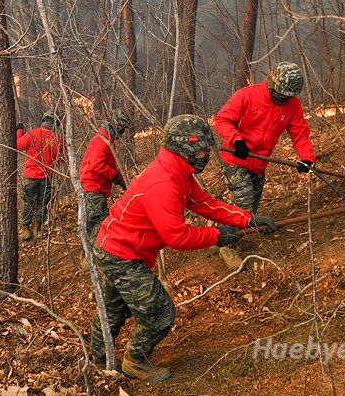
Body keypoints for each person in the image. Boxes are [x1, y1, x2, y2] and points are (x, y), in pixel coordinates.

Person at [89, 114, 277, 381]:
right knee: (160, 311)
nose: (206, 155)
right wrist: (217, 236)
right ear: (185, 148)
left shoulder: (178, 171)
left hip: (117, 247)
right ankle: (134, 360)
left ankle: (97, 360)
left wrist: (246, 218)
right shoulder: (163, 182)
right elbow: (176, 237)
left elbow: (204, 203)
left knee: (114, 307)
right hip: (121, 253)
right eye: (201, 149)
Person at [215, 61, 315, 269]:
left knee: (252, 207)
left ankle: (224, 233)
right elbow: (223, 120)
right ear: (271, 83)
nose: (282, 99)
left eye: (287, 96)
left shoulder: (293, 105)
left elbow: (300, 134)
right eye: (279, 95)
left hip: (260, 162)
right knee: (244, 201)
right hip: (235, 158)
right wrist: (236, 140)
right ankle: (227, 245)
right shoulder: (246, 95)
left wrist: (306, 158)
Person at [78, 109, 132, 270]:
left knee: (92, 222)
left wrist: (120, 180)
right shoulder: (102, 140)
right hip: (91, 186)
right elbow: (96, 164)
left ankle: (87, 257)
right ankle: (90, 258)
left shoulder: (108, 140)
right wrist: (114, 176)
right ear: (116, 124)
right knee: (98, 222)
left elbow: (107, 164)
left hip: (96, 187)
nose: (123, 131)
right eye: (122, 127)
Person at [16, 110, 64, 241]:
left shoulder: (32, 134)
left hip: (31, 175)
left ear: (43, 120)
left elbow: (18, 145)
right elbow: (61, 159)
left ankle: (26, 229)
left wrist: (19, 131)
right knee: (43, 203)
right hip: (47, 177)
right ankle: (38, 229)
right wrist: (51, 164)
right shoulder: (57, 139)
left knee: (28, 202)